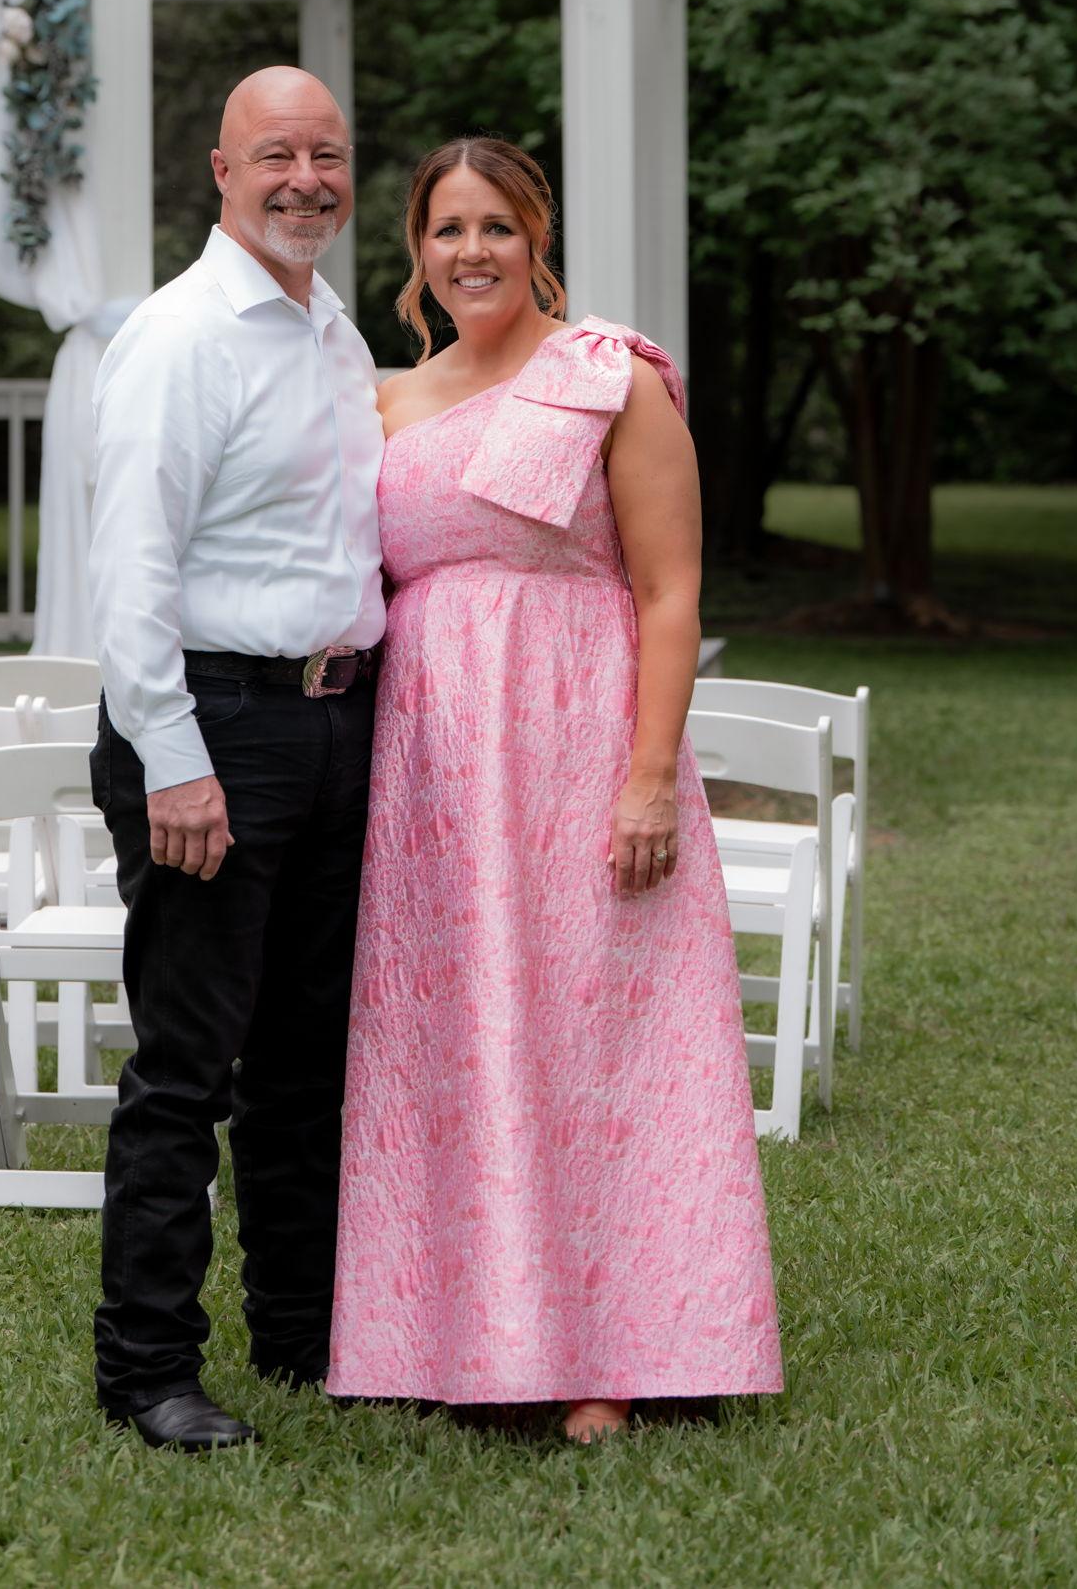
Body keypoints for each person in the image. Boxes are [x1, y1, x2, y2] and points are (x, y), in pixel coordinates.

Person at [325, 137, 784, 1441]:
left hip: (581, 745)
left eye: (497, 226)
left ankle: (615, 1354)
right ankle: (458, 1336)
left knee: (598, 1041)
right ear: (417, 250)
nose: (472, 250)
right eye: (447, 228)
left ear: (538, 240)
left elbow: (672, 590)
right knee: (455, 1040)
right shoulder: (382, 404)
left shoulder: (609, 378)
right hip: (433, 771)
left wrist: (650, 779)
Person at [87, 66, 384, 1452]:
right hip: (211, 724)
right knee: (186, 1068)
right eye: (277, 155)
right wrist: (173, 758)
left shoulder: (334, 331)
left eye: (327, 154)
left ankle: (302, 1335)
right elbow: (130, 567)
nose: (305, 180)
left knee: (305, 1063)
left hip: (333, 723)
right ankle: (147, 1368)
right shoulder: (180, 336)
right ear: (221, 171)